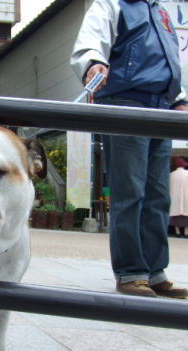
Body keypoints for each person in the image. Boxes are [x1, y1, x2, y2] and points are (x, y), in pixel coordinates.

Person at [71, 0, 188, 298]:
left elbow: (170, 59)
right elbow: (90, 43)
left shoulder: (159, 10)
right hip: (125, 102)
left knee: (158, 195)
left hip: (161, 105)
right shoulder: (111, 3)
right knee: (130, 191)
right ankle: (131, 272)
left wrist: (179, 96)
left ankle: (155, 270)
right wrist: (92, 63)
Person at [169, 157, 188, 238]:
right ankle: (186, 233)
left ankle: (178, 233)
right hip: (186, 199)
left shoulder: (171, 175)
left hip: (174, 199)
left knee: (175, 217)